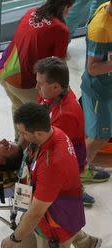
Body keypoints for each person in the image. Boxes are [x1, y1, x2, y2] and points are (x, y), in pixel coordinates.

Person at [1, 103, 84, 248]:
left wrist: (14, 237)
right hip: (40, 219)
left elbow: (37, 211)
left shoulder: (52, 162)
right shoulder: (49, 134)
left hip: (53, 226)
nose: (20, 137)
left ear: (37, 133)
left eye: (23, 133)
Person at [34, 56, 102, 248]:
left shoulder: (64, 114)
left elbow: (52, 149)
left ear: (55, 86)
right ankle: (86, 244)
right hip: (60, 165)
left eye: (41, 83)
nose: (36, 86)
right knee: (56, 216)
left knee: (59, 216)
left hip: (65, 171)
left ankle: (86, 245)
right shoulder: (51, 98)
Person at [0, 0, 74, 139]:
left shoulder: (30, 12)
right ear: (65, 6)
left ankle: (18, 145)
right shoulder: (60, 29)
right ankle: (30, 152)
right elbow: (58, 67)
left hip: (4, 70)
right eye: (70, 8)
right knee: (39, 123)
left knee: (18, 108)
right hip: (23, 82)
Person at [80, 0, 112, 181]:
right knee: (99, 136)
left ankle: (85, 166)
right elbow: (92, 68)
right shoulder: (101, 29)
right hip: (99, 91)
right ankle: (78, 175)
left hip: (107, 87)